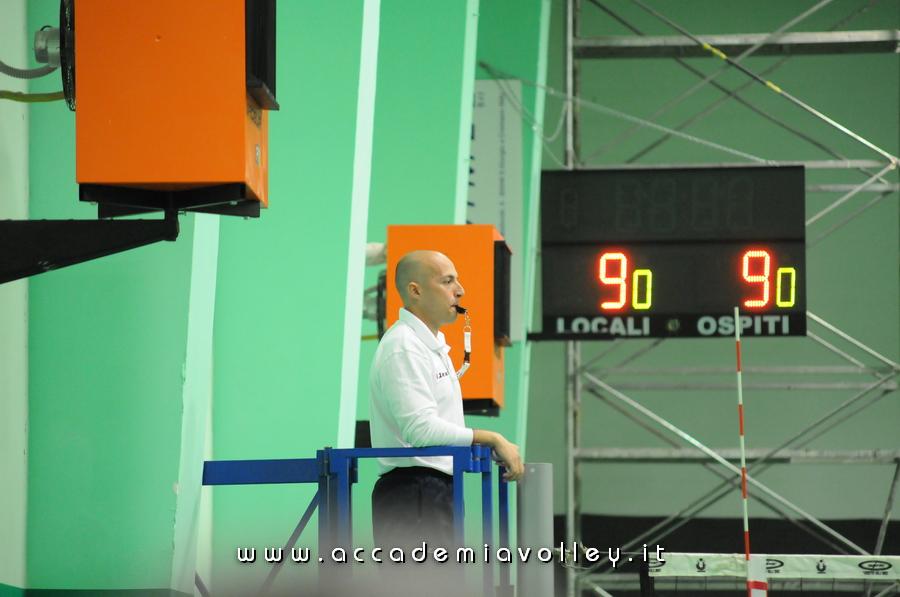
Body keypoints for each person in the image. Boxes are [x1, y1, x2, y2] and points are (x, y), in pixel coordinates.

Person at [369, 249, 525, 555]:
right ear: (415, 290)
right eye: (448, 280)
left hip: (432, 492)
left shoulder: (430, 346)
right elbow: (420, 431)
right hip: (414, 497)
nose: (460, 290)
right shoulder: (404, 347)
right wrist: (490, 438)